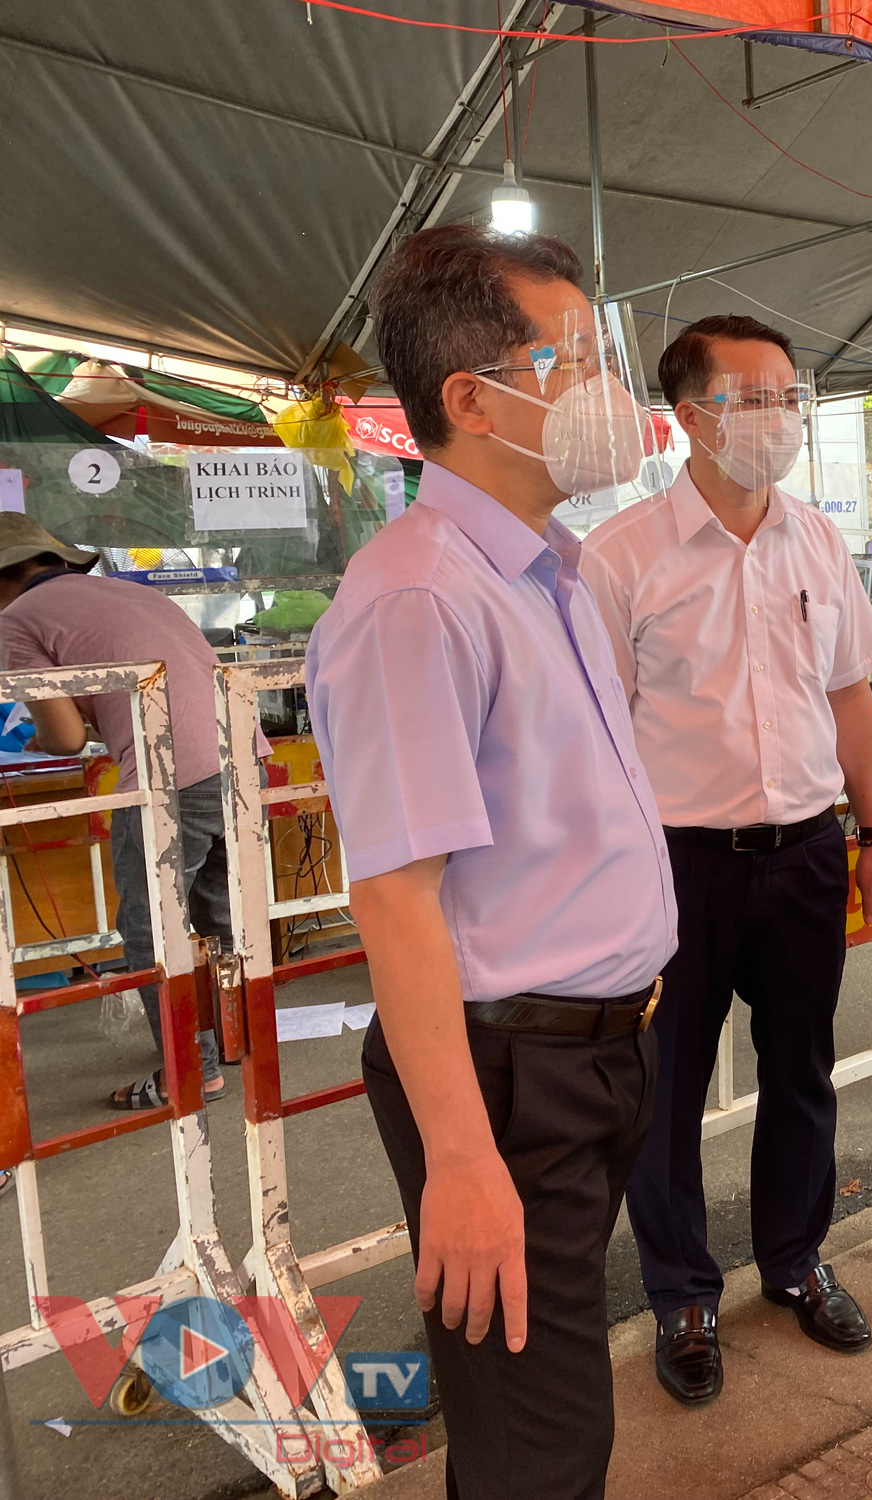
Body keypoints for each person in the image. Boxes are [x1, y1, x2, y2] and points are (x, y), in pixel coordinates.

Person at [306, 224, 676, 1500]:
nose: (607, 394)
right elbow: (396, 897)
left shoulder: (547, 572)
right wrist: (462, 1159)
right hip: (507, 1075)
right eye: (570, 360)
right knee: (537, 1438)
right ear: (470, 399)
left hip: (592, 1049)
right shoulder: (419, 597)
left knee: (547, 1397)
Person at [582, 314, 872, 1409]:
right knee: (661, 1089)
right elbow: (594, 732)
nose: (778, 419)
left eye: (786, 397)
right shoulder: (618, 557)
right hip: (674, 866)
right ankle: (679, 1293)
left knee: (802, 1070)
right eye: (750, 398)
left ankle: (795, 1262)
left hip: (807, 853)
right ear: (689, 417)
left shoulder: (816, 540)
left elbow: (850, 692)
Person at [0, 515, 265, 1113]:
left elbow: (65, 739)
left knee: (151, 926)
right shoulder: (125, 589)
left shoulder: (15, 621)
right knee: (220, 908)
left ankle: (188, 1072)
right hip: (244, 750)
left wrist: (42, 741)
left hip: (172, 768)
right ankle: (233, 1041)